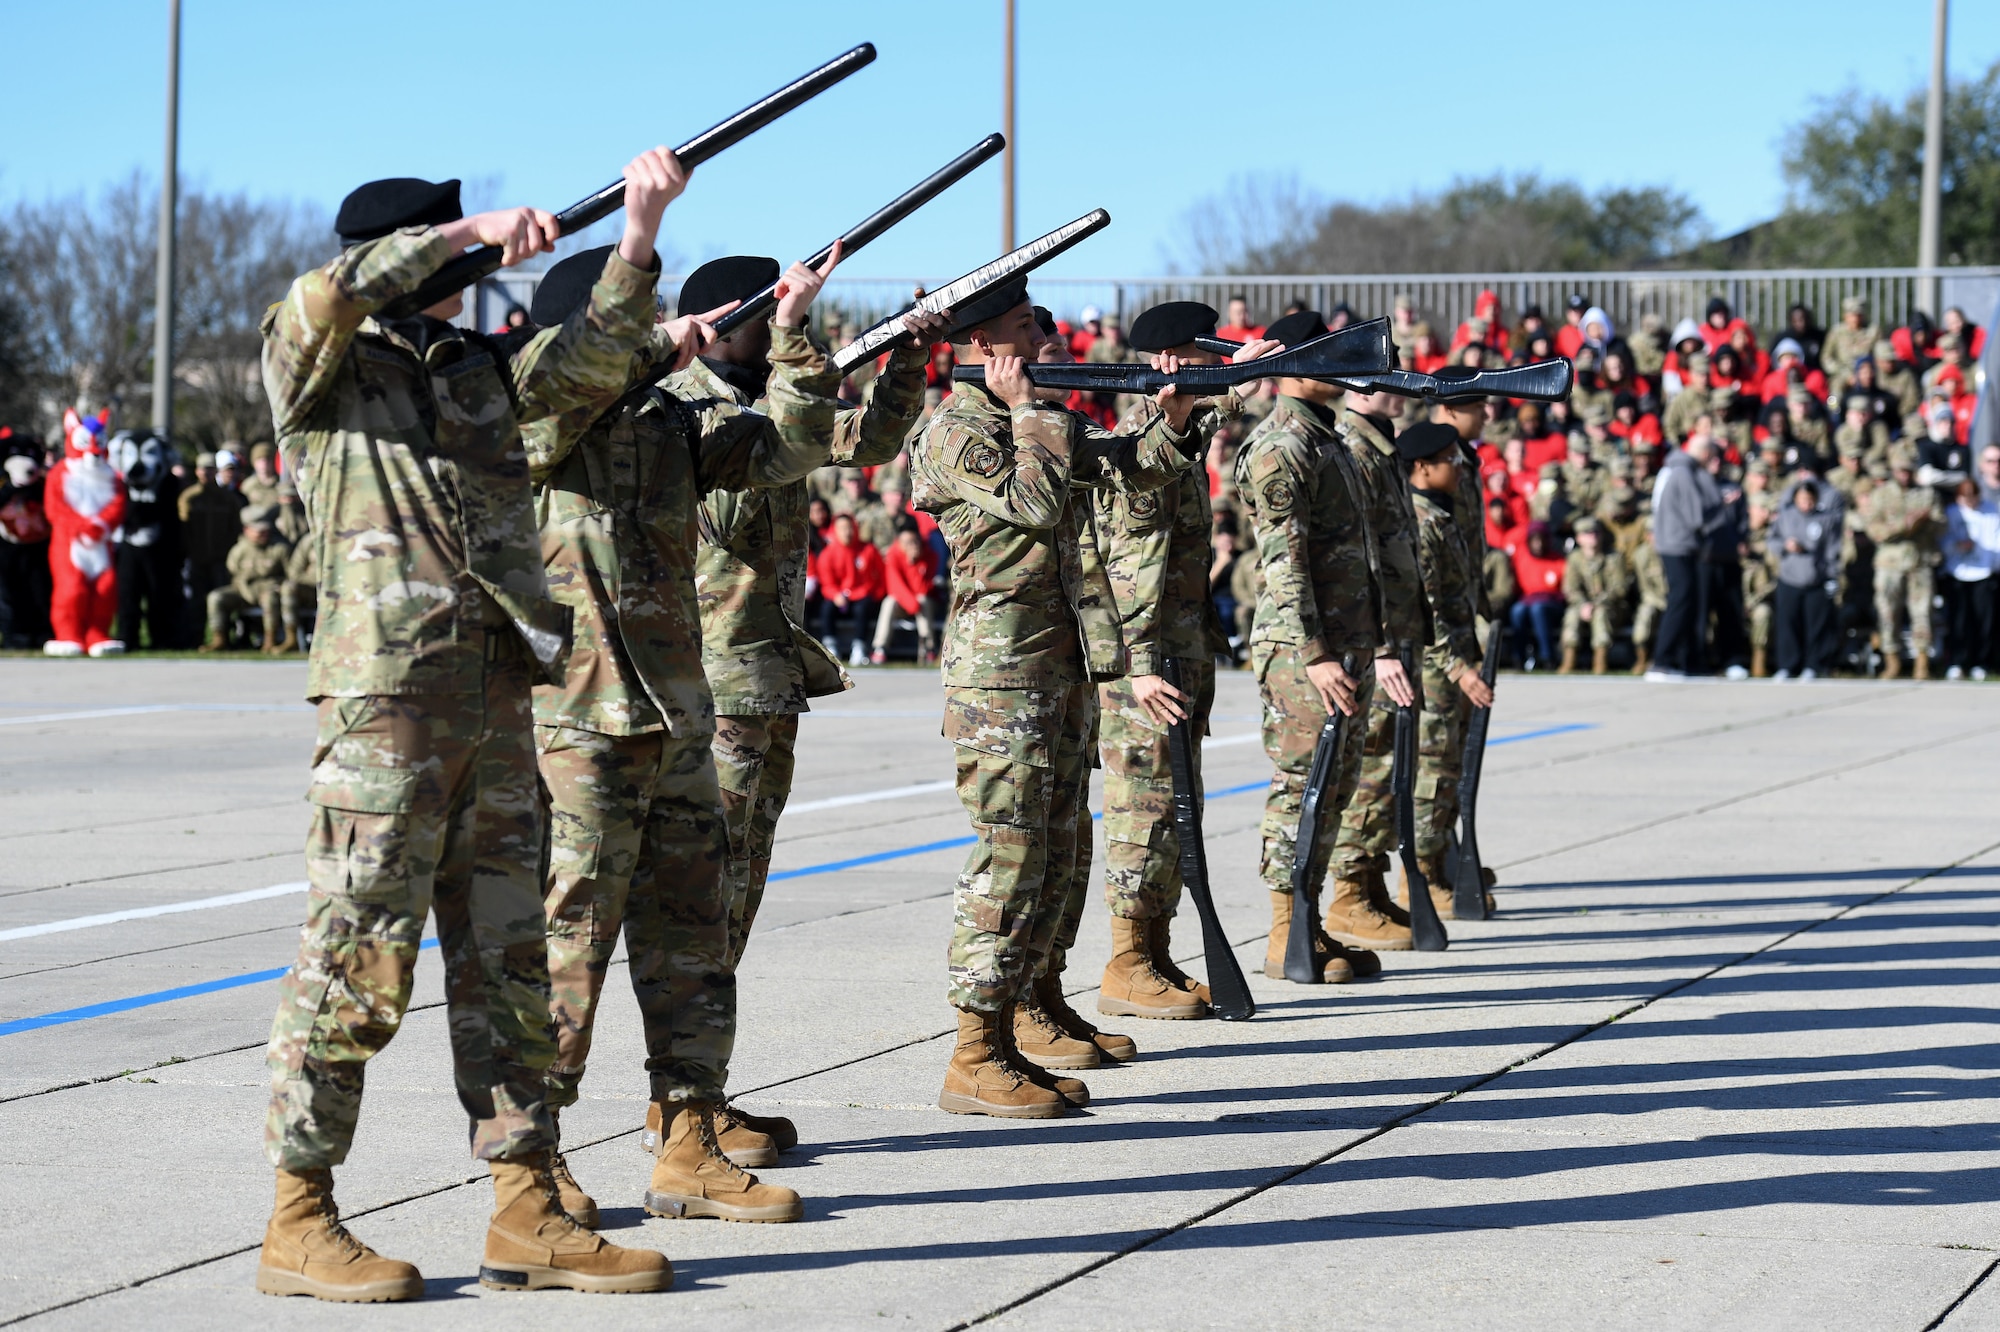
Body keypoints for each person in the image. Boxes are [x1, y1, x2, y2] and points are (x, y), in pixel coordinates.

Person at [254, 162, 678, 1301]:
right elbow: (331, 292)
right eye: (438, 242)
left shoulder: (475, 370)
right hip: (385, 702)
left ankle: (526, 1206)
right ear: (413, 248)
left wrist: (636, 239)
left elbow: (586, 373)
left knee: (509, 962)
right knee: (358, 959)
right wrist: (470, 230)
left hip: (496, 693)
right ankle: (299, 1217)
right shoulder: (320, 360)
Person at [520, 232, 896, 1227]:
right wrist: (654, 334)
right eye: (628, 327)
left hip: (678, 712)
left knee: (692, 942)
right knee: (574, 946)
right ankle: (531, 1172)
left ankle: (689, 1141)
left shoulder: (664, 423)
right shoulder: (542, 422)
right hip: (585, 722)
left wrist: (793, 337)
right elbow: (561, 391)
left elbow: (794, 446)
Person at [910, 278, 1202, 1118]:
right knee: (1007, 859)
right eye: (1024, 326)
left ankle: (1029, 1010)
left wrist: (1172, 418)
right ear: (980, 346)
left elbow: (1126, 480)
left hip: (1065, 667)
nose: (1046, 335)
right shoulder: (956, 431)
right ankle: (973, 1051)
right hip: (1001, 680)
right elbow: (1034, 504)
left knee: (1060, 853)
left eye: (1040, 321)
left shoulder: (1035, 421)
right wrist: (1036, 414)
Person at [688, 253, 932, 1146]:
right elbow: (779, 453)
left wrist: (907, 356)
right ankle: (683, 1105)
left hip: (766, 680)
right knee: (710, 900)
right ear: (727, 320)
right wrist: (803, 346)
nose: (787, 323)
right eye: (773, 314)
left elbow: (860, 441)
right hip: (718, 686)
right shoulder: (690, 415)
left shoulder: (760, 408)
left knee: (738, 895)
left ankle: (696, 1093)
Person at [1086, 302, 1281, 1022]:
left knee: (1172, 808)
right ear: (1173, 360)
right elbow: (1132, 566)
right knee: (1142, 809)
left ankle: (1154, 952)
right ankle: (1127, 961)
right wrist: (1139, 665)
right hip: (1149, 665)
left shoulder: (1176, 434)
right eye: (1204, 353)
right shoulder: (1143, 444)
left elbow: (1211, 411)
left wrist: (1244, 374)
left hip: (1176, 656)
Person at [1235, 308, 1387, 989]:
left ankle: (1308, 918)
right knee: (1302, 786)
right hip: (1306, 651)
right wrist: (1317, 652)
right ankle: (1282, 930)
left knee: (1333, 788)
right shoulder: (1282, 446)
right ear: (1294, 367)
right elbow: (1283, 562)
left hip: (1342, 643)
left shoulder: (1327, 441)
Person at [1325, 378, 1429, 957]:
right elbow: (1360, 553)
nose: (1402, 389)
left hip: (1390, 627)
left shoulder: (1379, 445)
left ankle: (1367, 882)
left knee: (1387, 762)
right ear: (1358, 391)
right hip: (1373, 636)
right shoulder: (1356, 449)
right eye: (1387, 379)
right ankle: (1349, 891)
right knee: (1370, 763)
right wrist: (1383, 645)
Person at [1400, 421, 1494, 918]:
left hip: (1456, 656)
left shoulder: (1443, 513)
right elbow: (1426, 607)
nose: (1460, 468)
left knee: (1450, 767)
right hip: (1435, 666)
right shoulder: (1419, 520)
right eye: (1450, 461)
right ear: (1422, 467)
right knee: (1432, 772)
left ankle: (1439, 861)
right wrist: (1460, 668)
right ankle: (1419, 873)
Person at [1649, 435, 1728, 677]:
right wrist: (1720, 505)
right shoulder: (1684, 474)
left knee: (1688, 603)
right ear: (1705, 454)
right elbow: (1697, 518)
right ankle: (1661, 661)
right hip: (1678, 546)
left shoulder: (1677, 470)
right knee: (1681, 601)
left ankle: (1684, 662)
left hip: (1678, 545)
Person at [1863, 442, 1944, 679]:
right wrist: (1902, 525)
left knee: (1922, 612)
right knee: (1887, 612)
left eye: (1908, 470)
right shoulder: (1881, 495)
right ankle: (1892, 661)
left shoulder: (1926, 494)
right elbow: (1874, 530)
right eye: (1900, 470)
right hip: (1890, 563)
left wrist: (1926, 522)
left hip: (1919, 561)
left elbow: (1941, 526)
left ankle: (1922, 661)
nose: (1904, 475)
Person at [109, 429, 185, 650]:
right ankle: (127, 637)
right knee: (128, 595)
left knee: (159, 595)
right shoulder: (119, 485)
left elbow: (169, 513)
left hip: (160, 550)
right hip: (129, 548)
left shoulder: (169, 484)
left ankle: (161, 638)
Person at [1766, 476, 1839, 679]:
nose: (1806, 504)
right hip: (1789, 578)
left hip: (1815, 579)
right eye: (1802, 499)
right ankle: (1788, 665)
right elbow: (1772, 540)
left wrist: (1832, 577)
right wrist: (1785, 547)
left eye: (1810, 499)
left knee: (1815, 626)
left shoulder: (1826, 519)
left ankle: (1813, 665)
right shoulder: (1786, 516)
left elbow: (1832, 551)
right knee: (1788, 624)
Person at [201, 506, 290, 652]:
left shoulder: (279, 548)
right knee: (216, 597)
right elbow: (232, 573)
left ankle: (270, 640)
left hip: (268, 590)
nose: (263, 534)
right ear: (247, 530)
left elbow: (289, 574)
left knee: (270, 598)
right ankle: (220, 639)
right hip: (242, 590)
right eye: (259, 531)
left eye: (265, 530)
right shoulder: (239, 550)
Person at [177, 450, 244, 644]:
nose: (205, 473)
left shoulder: (227, 498)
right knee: (196, 601)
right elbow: (184, 527)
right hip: (196, 558)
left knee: (221, 598)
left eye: (210, 469)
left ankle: (223, 638)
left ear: (215, 471)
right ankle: (195, 638)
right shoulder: (189, 497)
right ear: (197, 471)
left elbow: (235, 527)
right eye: (202, 469)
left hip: (220, 557)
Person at [1940, 479, 2000, 679]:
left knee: (1983, 620)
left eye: (1973, 498)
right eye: (1966, 498)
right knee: (1959, 620)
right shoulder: (1951, 512)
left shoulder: (1990, 511)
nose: (1971, 502)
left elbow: (1996, 540)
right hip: (1958, 572)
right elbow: (1942, 541)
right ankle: (1957, 661)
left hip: (1983, 573)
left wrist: (1992, 565)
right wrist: (1957, 546)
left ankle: (1981, 662)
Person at [1558, 518, 1627, 674]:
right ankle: (1568, 661)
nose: (1593, 536)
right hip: (1582, 606)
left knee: (1600, 614)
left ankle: (1600, 662)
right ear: (1579, 538)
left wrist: (1595, 604)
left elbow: (1619, 589)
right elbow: (1570, 588)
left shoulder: (1614, 557)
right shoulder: (1575, 559)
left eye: (1596, 532)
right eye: (1587, 533)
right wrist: (1583, 604)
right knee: (1571, 615)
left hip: (1610, 607)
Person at [816, 511, 885, 663]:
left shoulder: (868, 550)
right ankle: (830, 645)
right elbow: (826, 583)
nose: (846, 532)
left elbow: (880, 575)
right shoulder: (828, 554)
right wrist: (835, 595)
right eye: (842, 528)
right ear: (835, 530)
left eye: (849, 527)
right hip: (839, 598)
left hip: (862, 596)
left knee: (863, 608)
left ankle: (859, 647)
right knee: (827, 608)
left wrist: (874, 594)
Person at [875, 519, 938, 663]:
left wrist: (914, 564)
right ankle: (880, 647)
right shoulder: (892, 555)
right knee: (889, 602)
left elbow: (924, 588)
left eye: (913, 541)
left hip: (922, 602)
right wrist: (912, 605)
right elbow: (895, 587)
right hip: (905, 603)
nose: (911, 545)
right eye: (906, 542)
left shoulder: (930, 556)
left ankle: (928, 646)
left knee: (923, 599)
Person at [1508, 522, 1564, 670]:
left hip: (1551, 603)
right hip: (1526, 600)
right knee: (1517, 611)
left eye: (1541, 540)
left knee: (1538, 610)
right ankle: (1518, 658)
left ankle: (1547, 657)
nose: (1538, 545)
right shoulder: (1521, 558)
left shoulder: (1558, 560)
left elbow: (1563, 590)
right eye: (1535, 541)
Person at [239, 442, 283, 509]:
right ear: (253, 463)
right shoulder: (247, 486)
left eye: (267, 460)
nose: (264, 464)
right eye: (259, 460)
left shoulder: (281, 483)